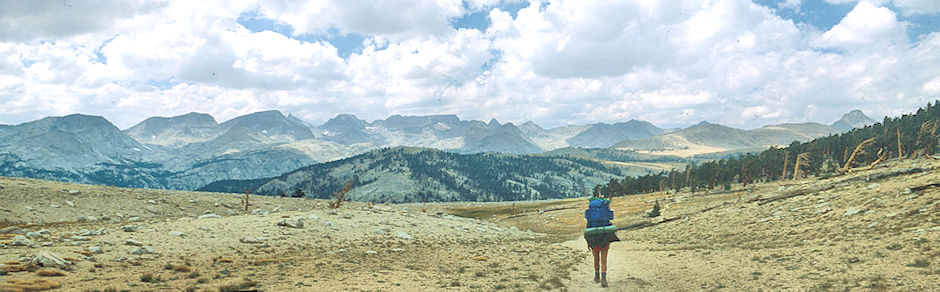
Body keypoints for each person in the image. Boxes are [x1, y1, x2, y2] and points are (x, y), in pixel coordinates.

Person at [584, 194, 620, 287]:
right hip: (604, 236)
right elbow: (609, 222)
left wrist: (588, 242)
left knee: (596, 258)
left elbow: (588, 226)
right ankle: (604, 279)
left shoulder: (591, 214)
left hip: (594, 237)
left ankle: (597, 277)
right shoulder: (605, 211)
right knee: (604, 260)